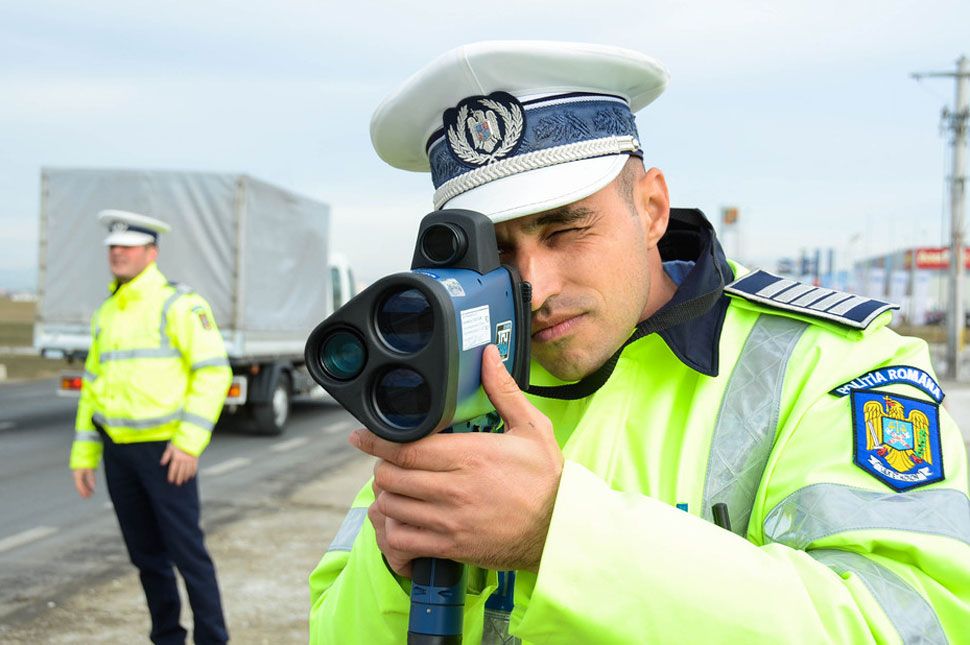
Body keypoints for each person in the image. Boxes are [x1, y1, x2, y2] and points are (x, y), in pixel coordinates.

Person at [309, 41, 970, 643]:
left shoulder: (834, 365)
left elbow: (911, 624)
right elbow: (335, 630)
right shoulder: (458, 376)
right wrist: (396, 570)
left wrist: (560, 533)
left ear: (651, 209)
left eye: (566, 229)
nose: (534, 288)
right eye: (498, 252)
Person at [70, 209, 232, 645]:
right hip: (118, 452)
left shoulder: (179, 305)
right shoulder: (107, 312)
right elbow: (93, 387)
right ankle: (167, 637)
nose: (118, 253)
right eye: (113, 247)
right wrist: (84, 455)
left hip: (166, 452)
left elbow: (213, 372)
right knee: (146, 558)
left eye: (128, 246)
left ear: (151, 252)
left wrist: (188, 444)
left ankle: (212, 639)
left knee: (188, 555)